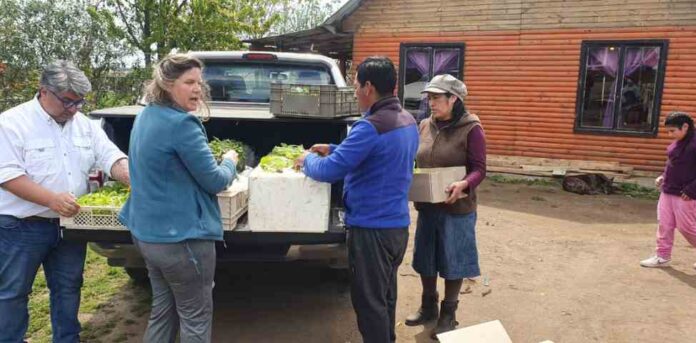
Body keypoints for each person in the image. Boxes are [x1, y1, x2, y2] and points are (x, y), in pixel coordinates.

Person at [0, 60, 130, 342]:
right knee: (12, 292)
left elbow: (109, 156)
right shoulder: (12, 123)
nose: (74, 109)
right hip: (21, 227)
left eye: (79, 102)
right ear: (44, 91)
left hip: (70, 225)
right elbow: (7, 176)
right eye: (68, 102)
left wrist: (129, 174)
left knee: (69, 287)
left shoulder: (83, 125)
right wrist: (52, 199)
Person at [295, 56, 418, 343]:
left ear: (369, 87)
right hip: (396, 227)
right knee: (385, 295)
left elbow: (330, 171)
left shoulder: (370, 125)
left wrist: (307, 160)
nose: (354, 91)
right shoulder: (407, 120)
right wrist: (335, 147)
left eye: (356, 85)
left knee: (368, 303)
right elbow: (379, 156)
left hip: (371, 229)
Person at [118, 54, 238, 343]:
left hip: (148, 234)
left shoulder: (146, 115)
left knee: (164, 309)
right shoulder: (182, 124)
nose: (198, 89)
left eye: (200, 82)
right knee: (195, 318)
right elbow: (215, 181)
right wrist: (231, 161)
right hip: (182, 241)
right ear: (167, 84)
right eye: (189, 82)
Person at [404, 74, 487, 338]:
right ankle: (428, 306)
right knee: (426, 257)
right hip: (429, 205)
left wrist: (464, 184)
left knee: (454, 260)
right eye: (429, 97)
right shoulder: (425, 125)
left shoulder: (471, 128)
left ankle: (448, 314)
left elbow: (480, 169)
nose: (431, 103)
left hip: (457, 209)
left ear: (454, 99)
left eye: (437, 98)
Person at [640, 112, 696, 268]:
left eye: (673, 131)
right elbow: (672, 164)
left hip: (686, 195)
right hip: (668, 191)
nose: (670, 134)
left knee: (687, 228)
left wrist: (692, 190)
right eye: (668, 131)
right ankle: (662, 256)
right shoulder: (676, 144)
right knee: (665, 224)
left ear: (685, 126)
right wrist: (663, 176)